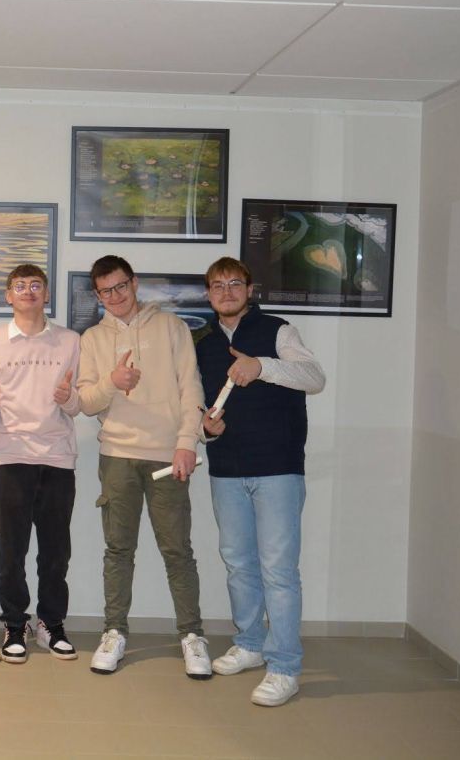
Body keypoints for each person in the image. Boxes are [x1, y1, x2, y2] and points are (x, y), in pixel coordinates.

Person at [197, 257, 325, 708]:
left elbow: (314, 378)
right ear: (209, 294)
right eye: (217, 286)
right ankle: (250, 643)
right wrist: (204, 429)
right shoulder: (202, 342)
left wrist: (262, 366)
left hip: (277, 470)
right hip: (226, 469)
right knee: (238, 563)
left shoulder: (279, 330)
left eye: (235, 283)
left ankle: (285, 666)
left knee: (279, 571)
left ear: (250, 289)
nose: (226, 292)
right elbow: (198, 406)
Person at [76, 255, 210, 677]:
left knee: (177, 550)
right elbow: (85, 401)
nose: (115, 296)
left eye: (120, 286)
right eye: (106, 291)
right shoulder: (92, 339)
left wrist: (186, 443)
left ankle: (192, 635)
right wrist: (112, 383)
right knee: (118, 550)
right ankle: (114, 631)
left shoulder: (171, 328)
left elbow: (191, 388)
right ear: (97, 295)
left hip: (168, 455)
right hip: (117, 455)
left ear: (134, 284)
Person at [0, 264, 81, 663]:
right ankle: (14, 624)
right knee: (11, 552)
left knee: (56, 554)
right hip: (10, 456)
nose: (28, 291)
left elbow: (79, 401)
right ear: (8, 295)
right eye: (20, 286)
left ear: (47, 294)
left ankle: (51, 624)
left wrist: (69, 398)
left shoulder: (70, 341)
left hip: (57, 457)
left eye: (36, 285)